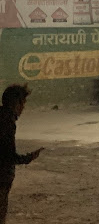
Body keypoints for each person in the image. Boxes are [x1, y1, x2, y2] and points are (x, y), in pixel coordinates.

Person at [0, 85, 43, 224]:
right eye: (23, 103)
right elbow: (9, 155)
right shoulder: (7, 122)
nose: (23, 108)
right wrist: (29, 158)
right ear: (16, 103)